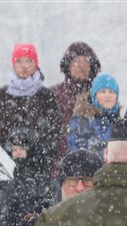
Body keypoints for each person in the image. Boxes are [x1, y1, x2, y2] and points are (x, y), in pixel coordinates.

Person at [0, 44, 63, 179]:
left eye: (29, 61)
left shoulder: (46, 96)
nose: (24, 66)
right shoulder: (1, 95)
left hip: (38, 169)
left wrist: (35, 153)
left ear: (36, 64)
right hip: (6, 168)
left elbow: (54, 131)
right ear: (13, 65)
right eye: (20, 61)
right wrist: (10, 150)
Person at [50, 41, 102, 173]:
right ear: (68, 65)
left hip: (94, 165)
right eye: (76, 61)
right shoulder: (54, 94)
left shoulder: (101, 94)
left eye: (85, 61)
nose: (81, 65)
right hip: (60, 166)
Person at [66, 74, 121, 157]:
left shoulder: (120, 122)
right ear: (94, 96)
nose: (107, 95)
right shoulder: (82, 121)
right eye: (102, 91)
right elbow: (77, 151)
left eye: (112, 92)